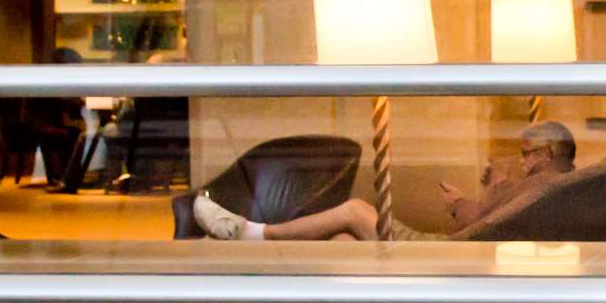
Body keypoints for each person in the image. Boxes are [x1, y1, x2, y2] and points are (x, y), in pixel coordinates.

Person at [190, 121, 577, 241]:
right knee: (343, 242)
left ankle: (254, 235)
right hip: (459, 249)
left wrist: (460, 202)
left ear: (546, 154)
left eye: (527, 153)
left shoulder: (540, 187)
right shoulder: (551, 187)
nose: (522, 159)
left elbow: (479, 223)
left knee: (357, 211)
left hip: (447, 254)